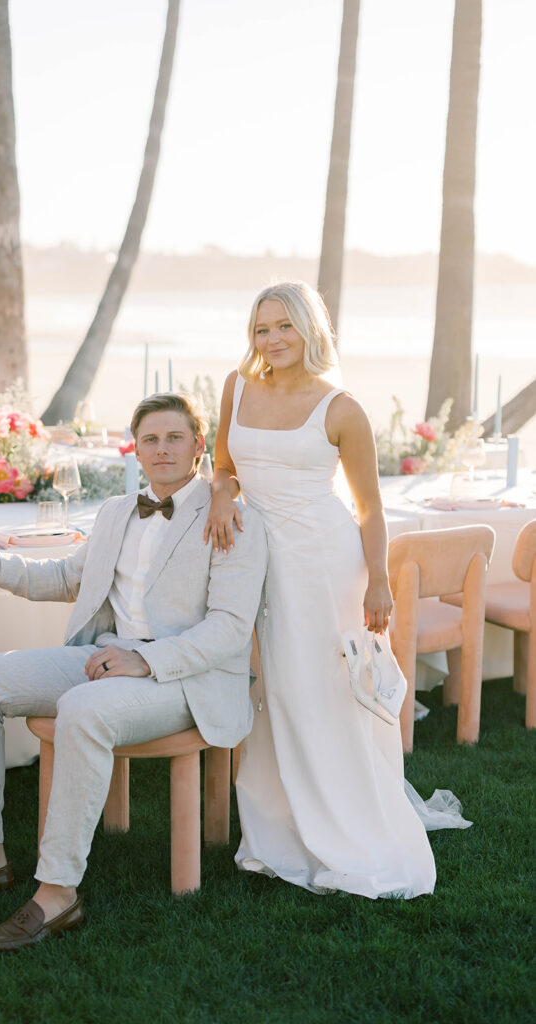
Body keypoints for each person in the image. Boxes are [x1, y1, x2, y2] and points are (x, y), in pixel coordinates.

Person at [0, 392, 267, 951]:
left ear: (199, 445)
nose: (162, 448)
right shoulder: (117, 511)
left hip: (184, 678)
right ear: (135, 449)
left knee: (81, 709)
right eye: (151, 439)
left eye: (175, 437)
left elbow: (229, 629)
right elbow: (70, 578)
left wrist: (143, 659)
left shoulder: (231, 518)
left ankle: (57, 890)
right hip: (102, 656)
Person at [204, 281, 437, 899]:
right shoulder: (237, 386)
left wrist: (380, 583)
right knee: (275, 691)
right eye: (262, 329)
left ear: (311, 330)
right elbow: (222, 466)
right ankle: (276, 827)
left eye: (285, 327)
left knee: (322, 694)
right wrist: (223, 496)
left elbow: (370, 509)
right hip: (259, 561)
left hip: (326, 564)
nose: (273, 340)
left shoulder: (341, 408)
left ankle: (348, 827)